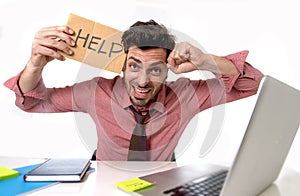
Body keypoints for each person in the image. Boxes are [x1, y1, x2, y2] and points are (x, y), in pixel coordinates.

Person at [4, 20, 264, 161]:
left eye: (155, 69)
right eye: (134, 66)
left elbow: (251, 84)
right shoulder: (96, 92)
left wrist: (206, 60)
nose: (142, 81)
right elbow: (32, 102)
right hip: (103, 184)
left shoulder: (185, 96)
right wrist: (35, 64)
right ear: (122, 66)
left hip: (160, 184)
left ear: (167, 70)